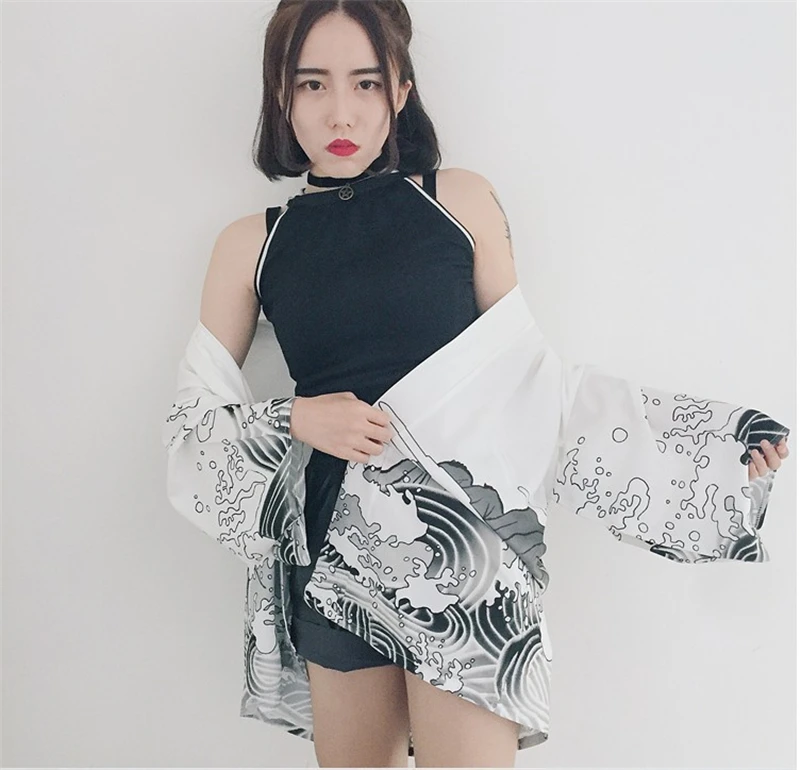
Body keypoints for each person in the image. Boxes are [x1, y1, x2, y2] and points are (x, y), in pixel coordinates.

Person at [194, 1, 790, 767]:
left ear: (401, 89)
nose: (340, 111)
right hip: (331, 555)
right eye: (313, 84)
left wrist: (708, 445)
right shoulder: (251, 244)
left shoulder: (460, 200)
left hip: (469, 554)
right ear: (281, 92)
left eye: (366, 83)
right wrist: (295, 419)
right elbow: (194, 423)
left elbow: (532, 387)